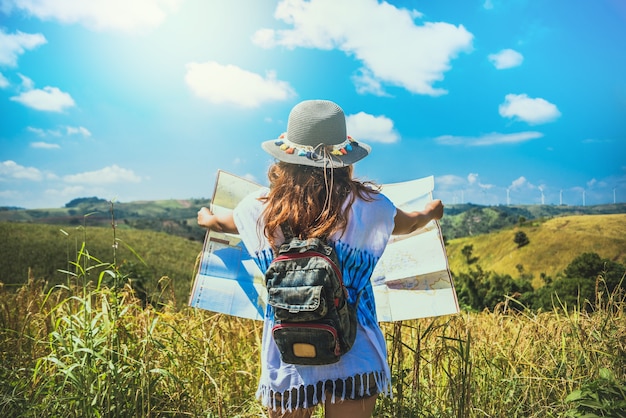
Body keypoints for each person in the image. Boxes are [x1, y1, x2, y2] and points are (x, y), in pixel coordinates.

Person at [198, 100, 443, 418]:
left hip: (289, 350)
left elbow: (220, 223)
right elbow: (411, 221)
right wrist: (432, 211)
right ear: (343, 157)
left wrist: (205, 218)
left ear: (285, 157)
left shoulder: (257, 208)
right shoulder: (371, 206)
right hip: (354, 346)